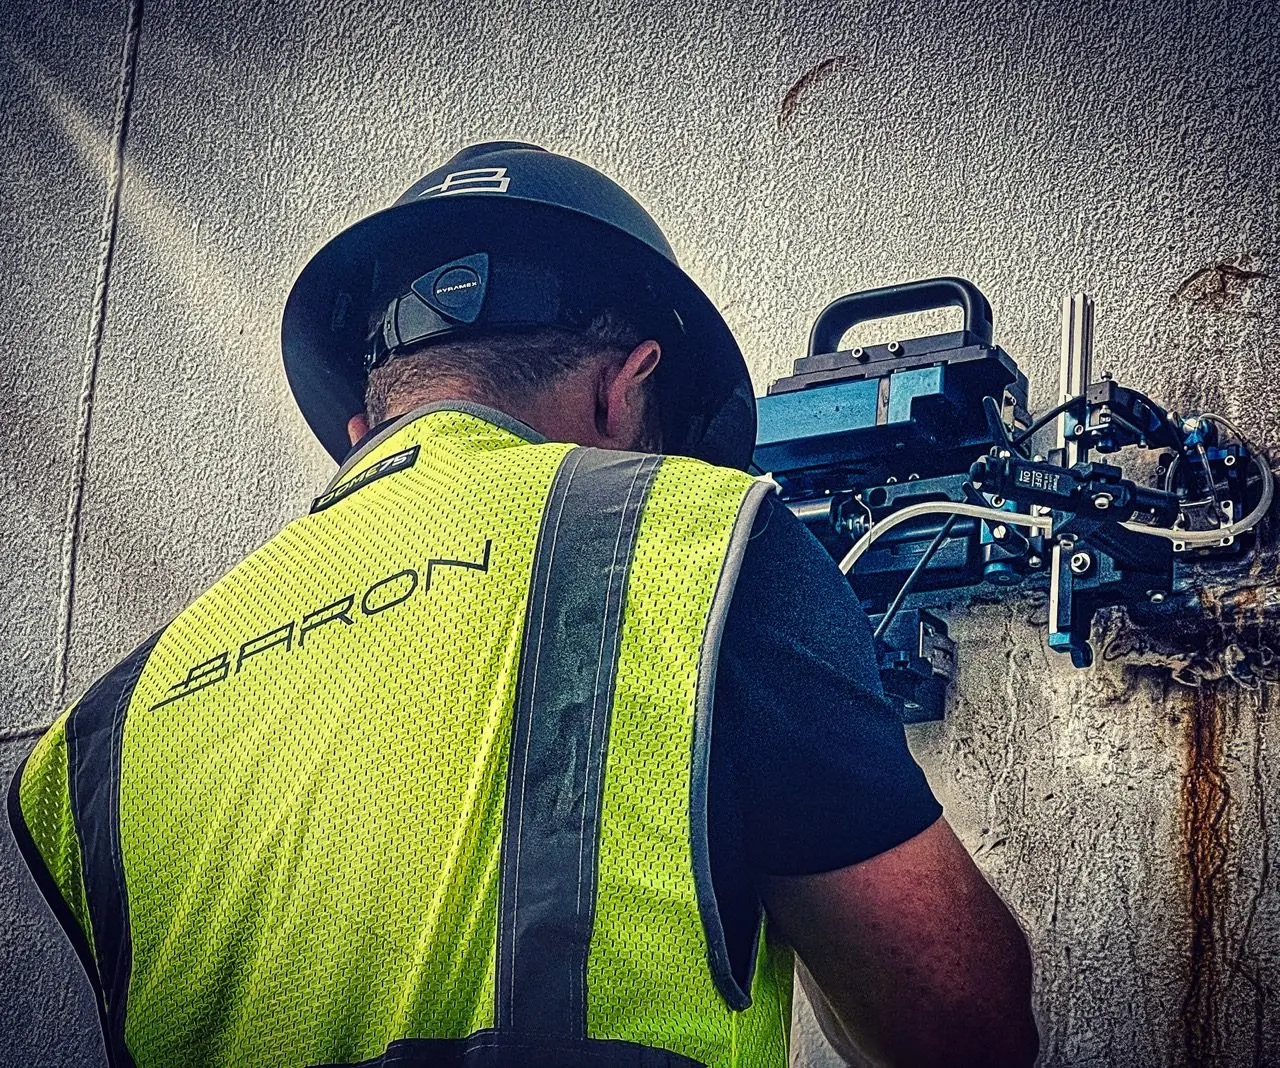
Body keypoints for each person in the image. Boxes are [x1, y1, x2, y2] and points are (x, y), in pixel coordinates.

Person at [9, 142, 1037, 1067]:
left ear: (366, 426)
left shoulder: (98, 734)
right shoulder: (692, 535)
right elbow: (957, 1028)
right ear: (624, 391)